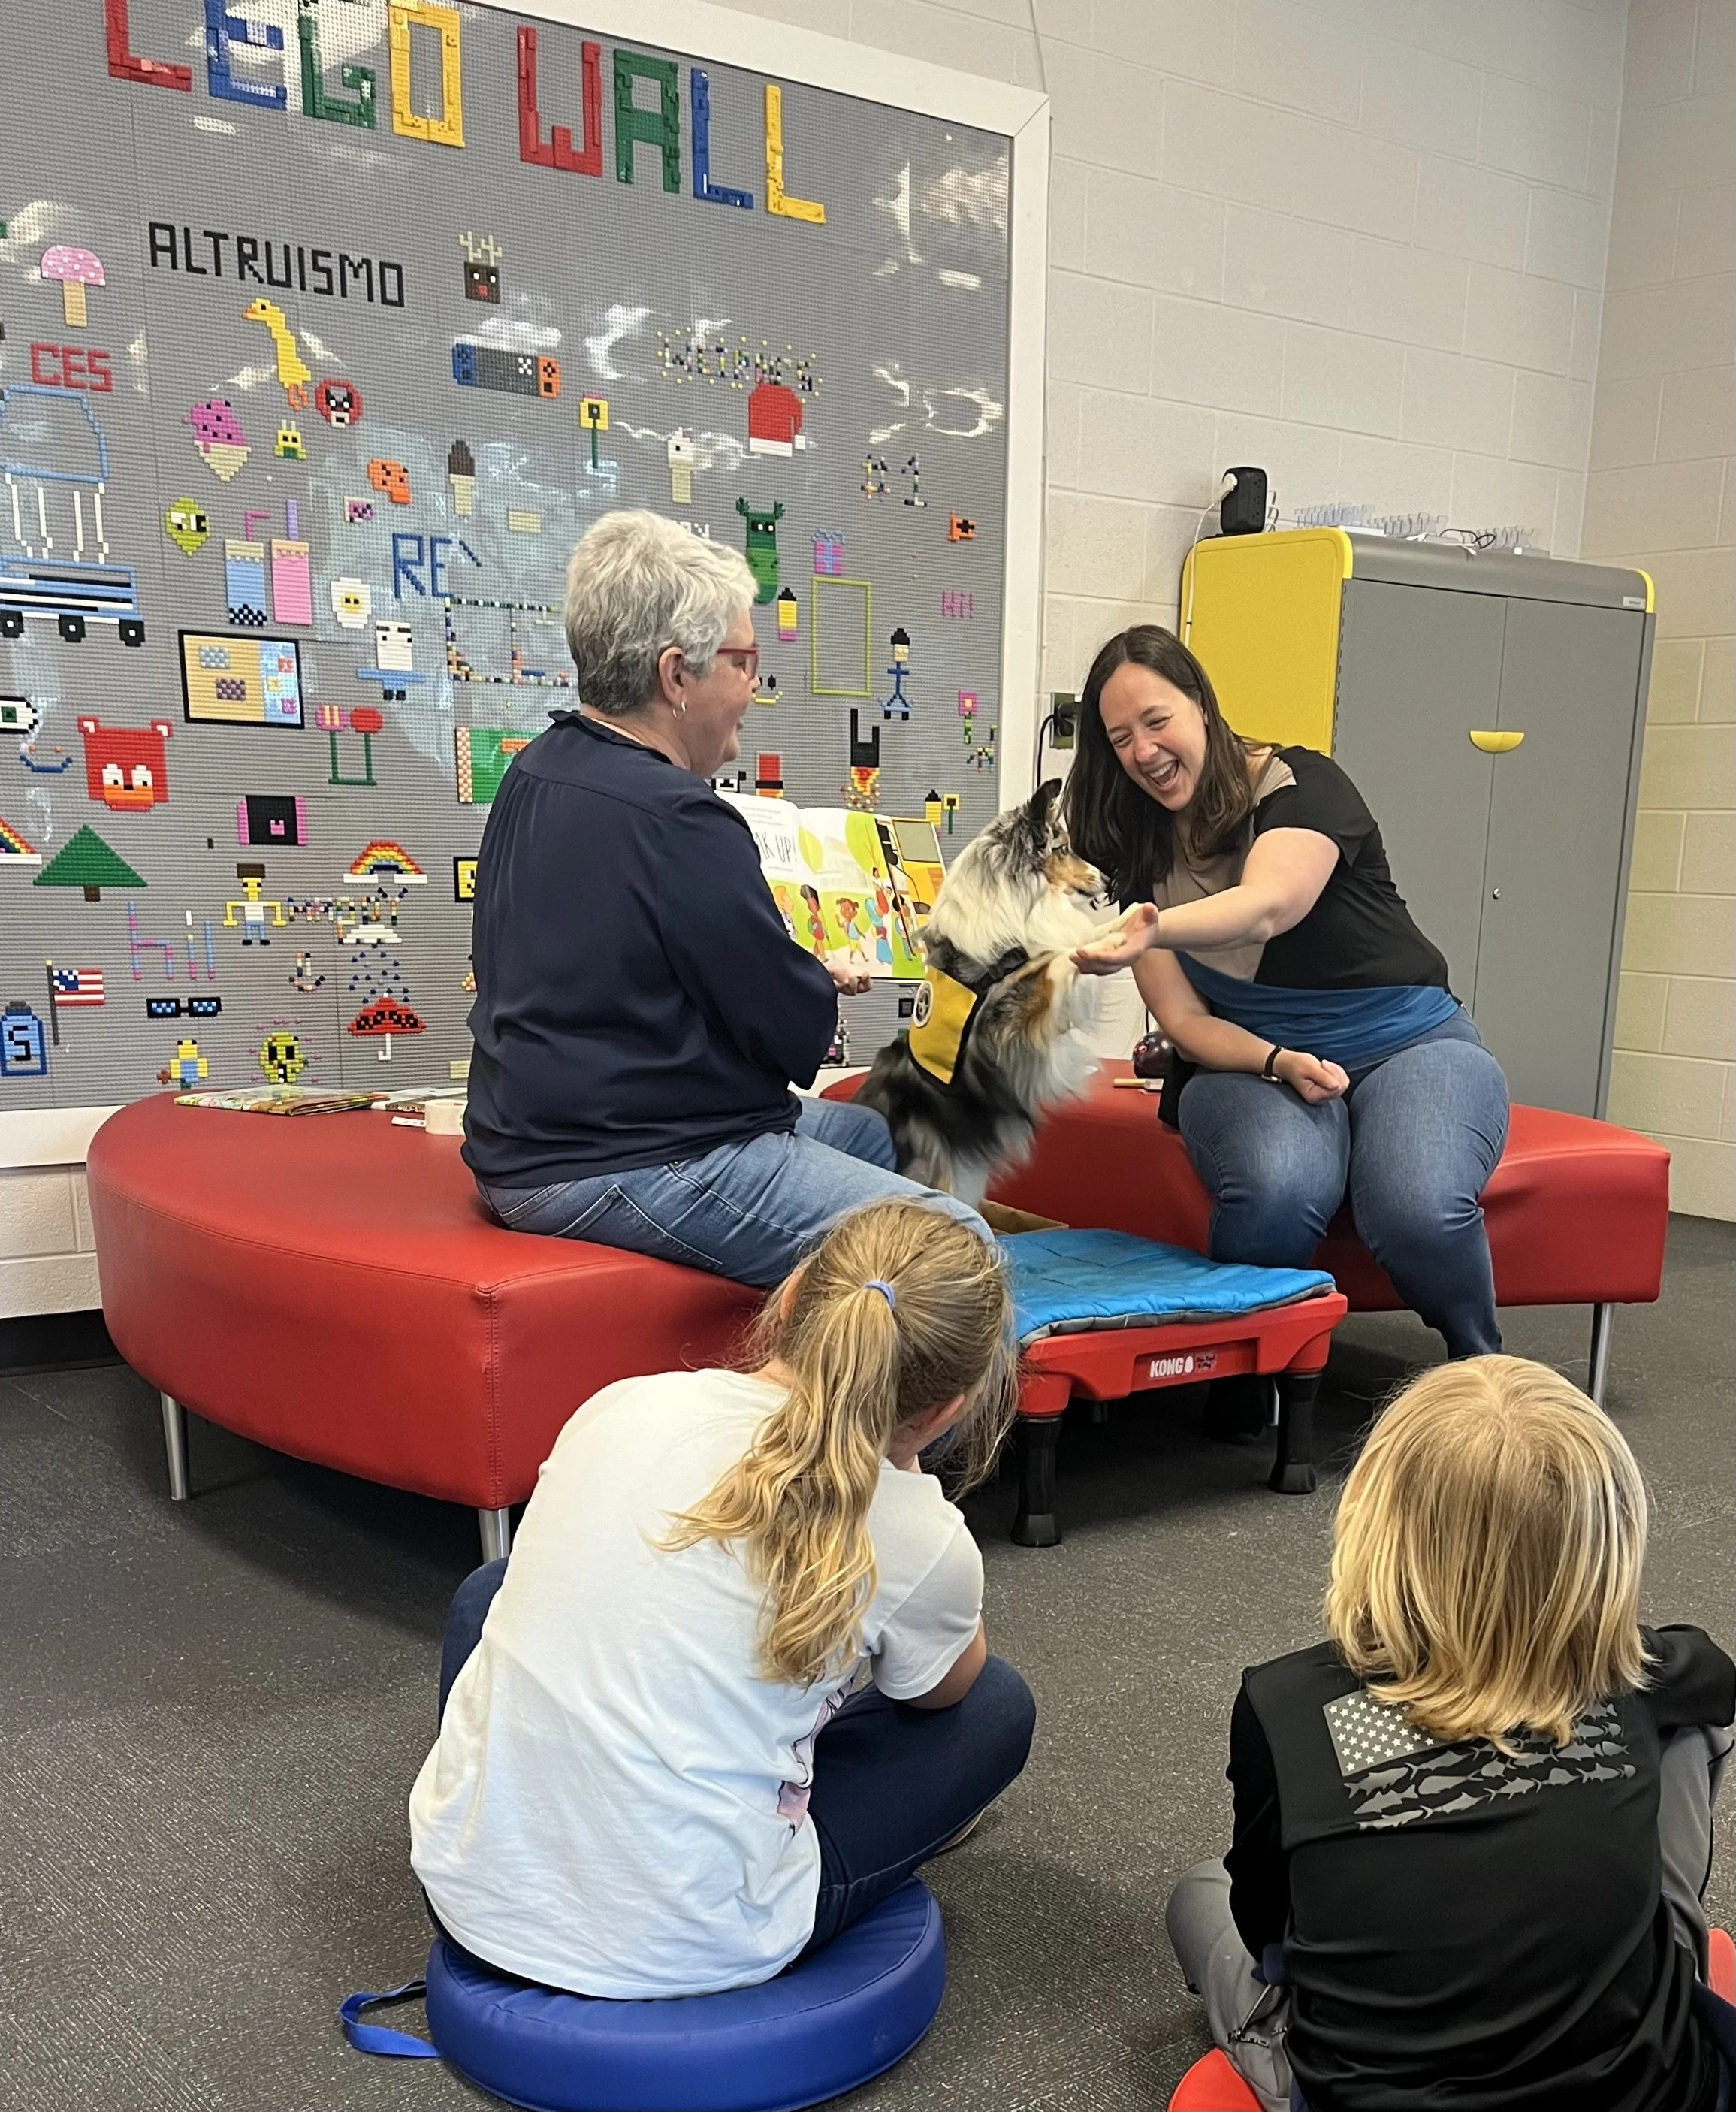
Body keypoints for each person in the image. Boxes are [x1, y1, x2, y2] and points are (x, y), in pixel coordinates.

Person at [409, 1201, 1037, 1998]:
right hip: (698, 1942)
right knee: (995, 1704)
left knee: (493, 1590)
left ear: (791, 1295)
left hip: (464, 1898)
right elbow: (939, 1692)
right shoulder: (919, 1533)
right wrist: (909, 1492)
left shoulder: (623, 1404)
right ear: (946, 1409)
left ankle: (516, 1833)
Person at [1166, 1355, 1735, 2112]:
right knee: (1690, 1729)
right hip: (1653, 2090)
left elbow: (1267, 1931)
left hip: (1370, 2082)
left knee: (1202, 1896)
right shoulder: (1625, 1676)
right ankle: (1650, 1957)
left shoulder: (1285, 1703)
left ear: (1372, 1517)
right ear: (1604, 1543)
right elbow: (1714, 1674)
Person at [461, 509, 987, 1286]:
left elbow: (617, 976)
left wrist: (784, 970)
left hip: (531, 1136)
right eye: (743, 663)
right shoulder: (679, 817)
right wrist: (810, 980)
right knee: (955, 1243)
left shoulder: (538, 766)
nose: (751, 688)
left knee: (870, 1137)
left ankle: (829, 1346)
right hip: (619, 1158)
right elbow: (789, 1036)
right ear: (675, 676)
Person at [1067, 624, 1509, 1373]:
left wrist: (1152, 928)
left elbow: (1268, 905)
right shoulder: (1139, 847)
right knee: (1277, 1187)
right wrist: (1275, 1060)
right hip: (1250, 1060)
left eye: (1156, 720)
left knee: (1417, 1209)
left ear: (1201, 705)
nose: (1143, 751)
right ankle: (1244, 1378)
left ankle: (1483, 1376)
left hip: (1409, 1041)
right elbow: (1183, 1020)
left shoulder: (1302, 784)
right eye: (1119, 739)